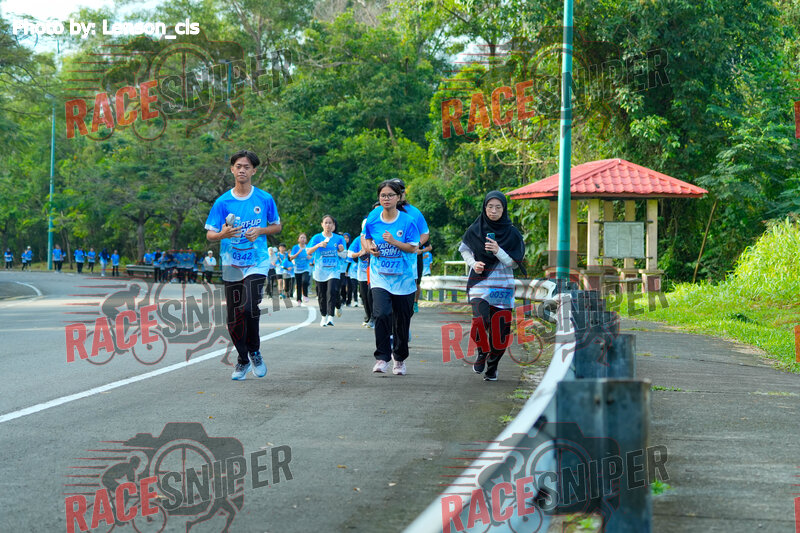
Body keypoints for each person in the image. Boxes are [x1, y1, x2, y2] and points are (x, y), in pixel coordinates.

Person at [205, 149, 281, 381]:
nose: (242, 170)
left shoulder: (264, 199)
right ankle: (243, 359)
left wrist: (260, 230)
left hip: (257, 262)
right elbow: (210, 234)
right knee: (234, 316)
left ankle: (254, 352)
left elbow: (276, 226)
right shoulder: (222, 202)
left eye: (246, 167)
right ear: (232, 169)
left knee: (249, 307)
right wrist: (223, 234)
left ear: (253, 171)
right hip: (232, 265)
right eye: (238, 166)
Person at [459, 191, 526, 381]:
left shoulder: (512, 233)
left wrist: (498, 250)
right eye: (490, 206)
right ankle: (482, 352)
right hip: (480, 283)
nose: (493, 211)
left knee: (500, 332)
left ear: (504, 209)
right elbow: (464, 250)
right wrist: (473, 263)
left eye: (498, 207)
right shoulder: (476, 228)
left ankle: (493, 366)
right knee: (479, 321)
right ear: (484, 207)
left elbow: (514, 263)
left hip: (502, 287)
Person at [363, 180, 420, 375]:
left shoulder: (408, 221)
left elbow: (413, 247)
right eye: (383, 195)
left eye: (390, 195)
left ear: (398, 198)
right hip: (380, 277)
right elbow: (366, 237)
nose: (386, 199)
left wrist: (394, 241)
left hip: (404, 280)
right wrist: (370, 247)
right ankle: (382, 358)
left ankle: (400, 359)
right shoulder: (373, 218)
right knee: (381, 314)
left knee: (402, 320)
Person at [308, 215, 347, 326]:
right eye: (326, 222)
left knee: (331, 291)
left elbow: (345, 255)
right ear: (322, 224)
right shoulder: (317, 238)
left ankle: (330, 317)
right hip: (320, 271)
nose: (328, 225)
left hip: (334, 270)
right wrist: (318, 245)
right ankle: (323, 317)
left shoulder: (339, 238)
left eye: (330, 223)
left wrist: (341, 250)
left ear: (333, 225)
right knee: (322, 295)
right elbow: (308, 252)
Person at [348, 218, 373, 327]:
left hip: (375, 275)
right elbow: (349, 253)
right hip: (362, 274)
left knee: (373, 296)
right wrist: (359, 253)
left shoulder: (377, 237)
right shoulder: (358, 240)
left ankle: (374, 318)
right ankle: (368, 317)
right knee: (365, 296)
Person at [289, 233, 310, 305]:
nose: (303, 239)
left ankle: (305, 295)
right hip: (297, 269)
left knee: (305, 281)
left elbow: (312, 256)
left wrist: (309, 257)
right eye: (301, 237)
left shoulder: (308, 247)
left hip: (306, 268)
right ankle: (299, 300)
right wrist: (298, 252)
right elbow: (291, 258)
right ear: (298, 239)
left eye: (304, 238)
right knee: (298, 284)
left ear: (306, 240)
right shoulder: (295, 247)